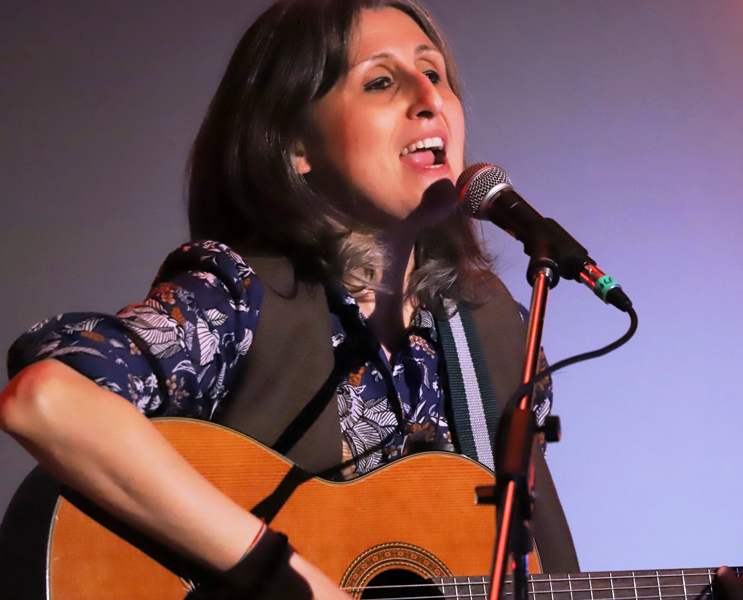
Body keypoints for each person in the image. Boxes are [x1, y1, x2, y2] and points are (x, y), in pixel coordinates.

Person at [0, 1, 576, 597]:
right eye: (380, 81)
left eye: (434, 73)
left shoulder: (497, 332)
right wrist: (281, 573)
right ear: (297, 146)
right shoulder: (241, 298)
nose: (428, 97)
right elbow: (46, 401)